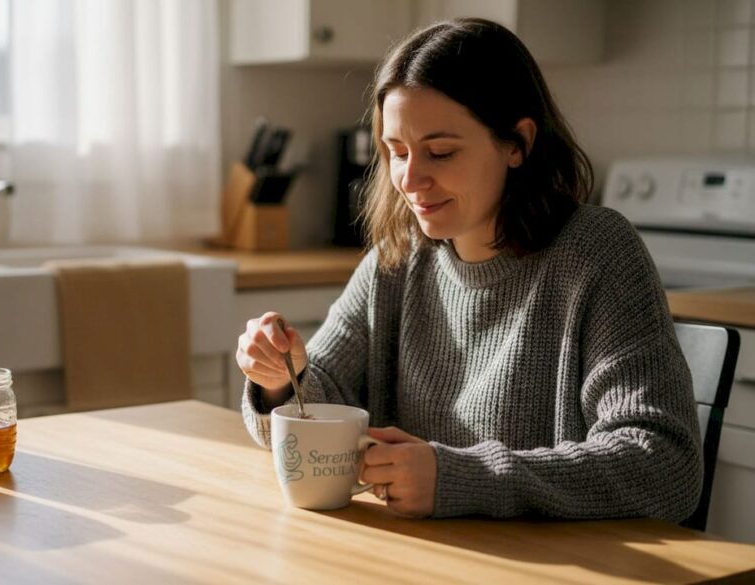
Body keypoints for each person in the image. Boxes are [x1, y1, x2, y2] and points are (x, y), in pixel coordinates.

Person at [236, 18, 702, 522]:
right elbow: (321, 395)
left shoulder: (596, 254)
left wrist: (460, 478)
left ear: (517, 144)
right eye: (396, 152)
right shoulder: (397, 258)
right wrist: (280, 379)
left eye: (440, 152)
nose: (410, 179)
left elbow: (664, 466)